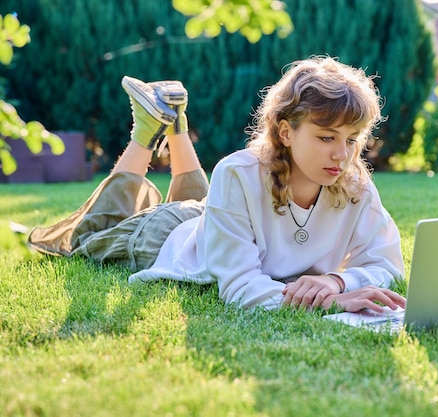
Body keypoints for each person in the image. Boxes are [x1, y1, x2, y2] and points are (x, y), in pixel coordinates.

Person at [28, 56, 406, 313]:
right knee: (87, 236)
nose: (343, 154)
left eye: (353, 139)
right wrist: (328, 301)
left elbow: (388, 263)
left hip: (212, 223)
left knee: (203, 201)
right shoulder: (238, 173)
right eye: (327, 138)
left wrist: (340, 280)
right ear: (286, 132)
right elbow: (240, 286)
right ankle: (147, 132)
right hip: (163, 236)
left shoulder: (354, 182)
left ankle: (175, 120)